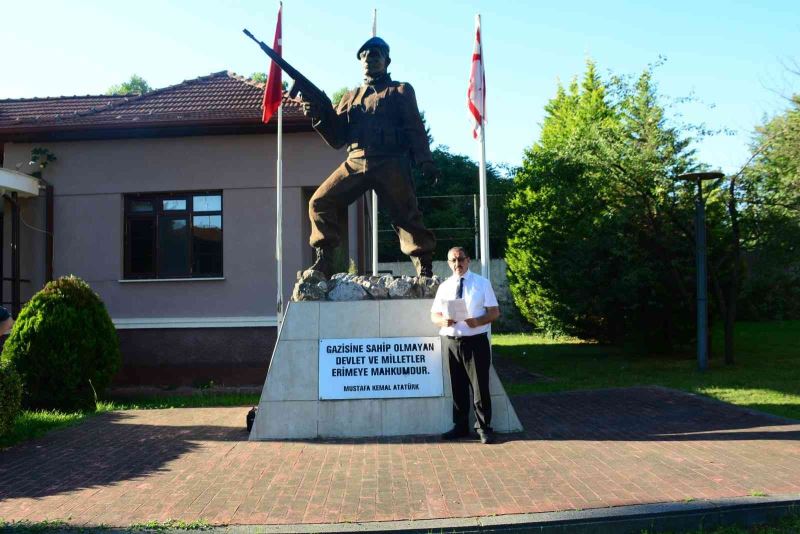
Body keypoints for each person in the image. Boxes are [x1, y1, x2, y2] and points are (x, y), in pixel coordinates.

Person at [301, 36, 438, 278]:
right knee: (320, 202)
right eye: (364, 56)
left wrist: (425, 160)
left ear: (387, 60)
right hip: (356, 160)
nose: (369, 60)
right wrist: (318, 116)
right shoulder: (350, 96)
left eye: (375, 55)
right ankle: (325, 259)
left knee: (406, 213)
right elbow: (337, 138)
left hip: (391, 160)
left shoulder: (400, 91)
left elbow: (415, 127)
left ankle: (423, 264)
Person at [430, 247, 500, 444]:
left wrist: (477, 321)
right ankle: (460, 426)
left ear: (468, 260)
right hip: (451, 341)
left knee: (480, 387)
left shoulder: (481, 283)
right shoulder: (444, 286)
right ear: (448, 263)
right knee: (457, 386)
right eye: (453, 260)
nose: (457, 264)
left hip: (475, 341)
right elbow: (434, 314)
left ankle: (484, 428)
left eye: (460, 259)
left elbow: (494, 312)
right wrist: (442, 322)